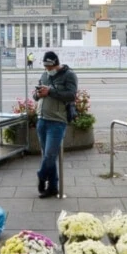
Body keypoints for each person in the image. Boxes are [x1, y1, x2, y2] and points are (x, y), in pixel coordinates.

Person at [32, 51, 77, 198]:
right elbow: (35, 95)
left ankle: (41, 175)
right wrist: (37, 94)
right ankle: (52, 187)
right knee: (47, 156)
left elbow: (71, 95)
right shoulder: (44, 75)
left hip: (57, 121)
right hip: (42, 120)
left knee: (50, 155)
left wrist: (50, 91)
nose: (47, 69)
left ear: (56, 64)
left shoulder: (68, 75)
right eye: (45, 66)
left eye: (49, 66)